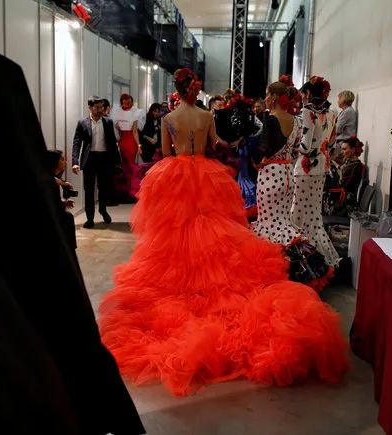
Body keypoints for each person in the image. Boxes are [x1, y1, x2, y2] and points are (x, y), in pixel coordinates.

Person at [98, 68, 350, 398]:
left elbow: (165, 151)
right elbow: (215, 145)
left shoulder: (169, 118)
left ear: (176, 89)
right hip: (205, 173)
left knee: (175, 231)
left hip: (175, 175)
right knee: (210, 231)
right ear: (194, 90)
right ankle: (206, 284)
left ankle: (184, 284)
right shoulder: (206, 115)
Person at [253, 76, 333, 290]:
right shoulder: (297, 120)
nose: (266, 99)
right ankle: (297, 267)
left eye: (269, 95)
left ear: (276, 97)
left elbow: (263, 149)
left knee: (268, 223)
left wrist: (258, 163)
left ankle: (272, 273)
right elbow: (299, 148)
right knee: (283, 221)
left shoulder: (270, 119)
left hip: (270, 174)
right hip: (289, 172)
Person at [292, 76, 340, 267]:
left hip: (305, 168)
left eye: (303, 94)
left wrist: (293, 145)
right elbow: (333, 143)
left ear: (309, 93)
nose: (302, 97)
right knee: (314, 217)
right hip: (322, 167)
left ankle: (303, 262)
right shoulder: (332, 113)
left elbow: (304, 146)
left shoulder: (307, 111)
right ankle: (322, 260)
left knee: (298, 214)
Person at [71, 96, 120, 229]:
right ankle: (90, 218)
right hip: (89, 159)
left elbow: (112, 143)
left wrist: (117, 161)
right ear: (90, 107)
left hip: (105, 159)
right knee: (89, 190)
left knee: (104, 188)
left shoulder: (108, 122)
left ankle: (103, 210)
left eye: (101, 107)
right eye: (97, 107)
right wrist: (75, 162)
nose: (100, 110)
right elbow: (76, 143)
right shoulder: (82, 123)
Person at [111, 94, 141, 200]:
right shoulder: (117, 113)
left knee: (131, 165)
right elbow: (117, 130)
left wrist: (138, 145)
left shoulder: (135, 113)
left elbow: (135, 131)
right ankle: (128, 189)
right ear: (121, 102)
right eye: (124, 101)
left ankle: (132, 190)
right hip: (122, 140)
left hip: (130, 141)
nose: (126, 103)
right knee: (124, 165)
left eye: (128, 101)